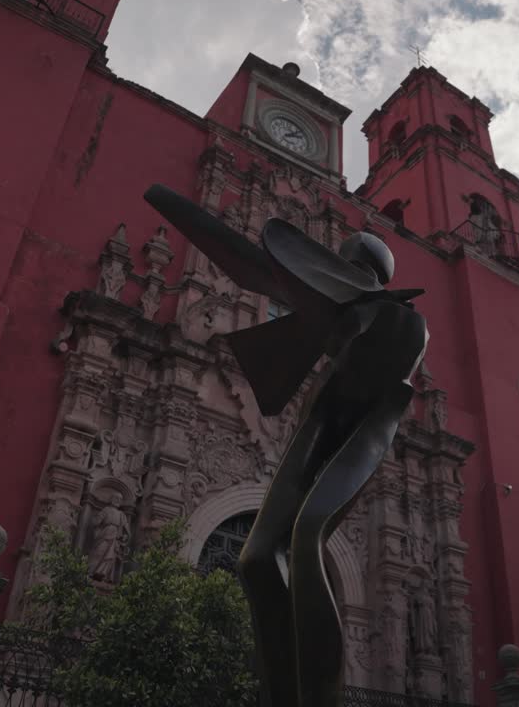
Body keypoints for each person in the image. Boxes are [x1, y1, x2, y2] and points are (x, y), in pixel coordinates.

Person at [144, 185, 428, 707]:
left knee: (306, 537)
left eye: (341, 261)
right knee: (254, 558)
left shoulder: (402, 320)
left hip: (364, 428)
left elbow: (390, 370)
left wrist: (351, 310)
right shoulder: (340, 314)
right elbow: (258, 266)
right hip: (319, 417)